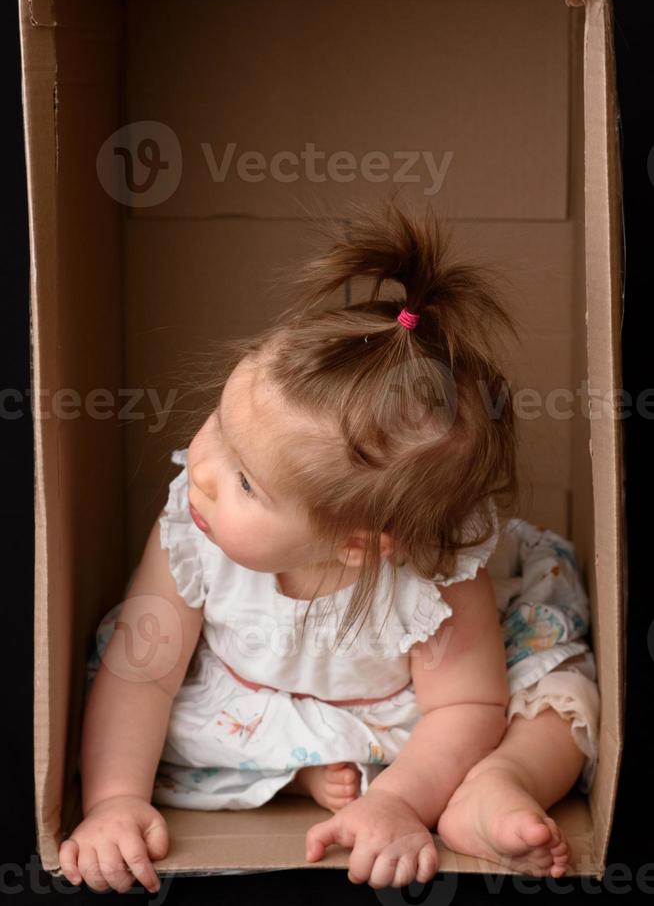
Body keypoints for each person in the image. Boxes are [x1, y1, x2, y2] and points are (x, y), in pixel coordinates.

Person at [59, 199, 599, 893]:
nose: (202, 469)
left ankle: (495, 785)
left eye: (246, 482)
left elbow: (468, 708)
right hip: (248, 704)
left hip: (421, 733)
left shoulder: (437, 575)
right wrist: (113, 804)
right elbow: (144, 675)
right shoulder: (193, 530)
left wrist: (399, 803)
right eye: (219, 429)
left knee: (556, 694)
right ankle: (300, 773)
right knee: (136, 720)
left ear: (357, 546)